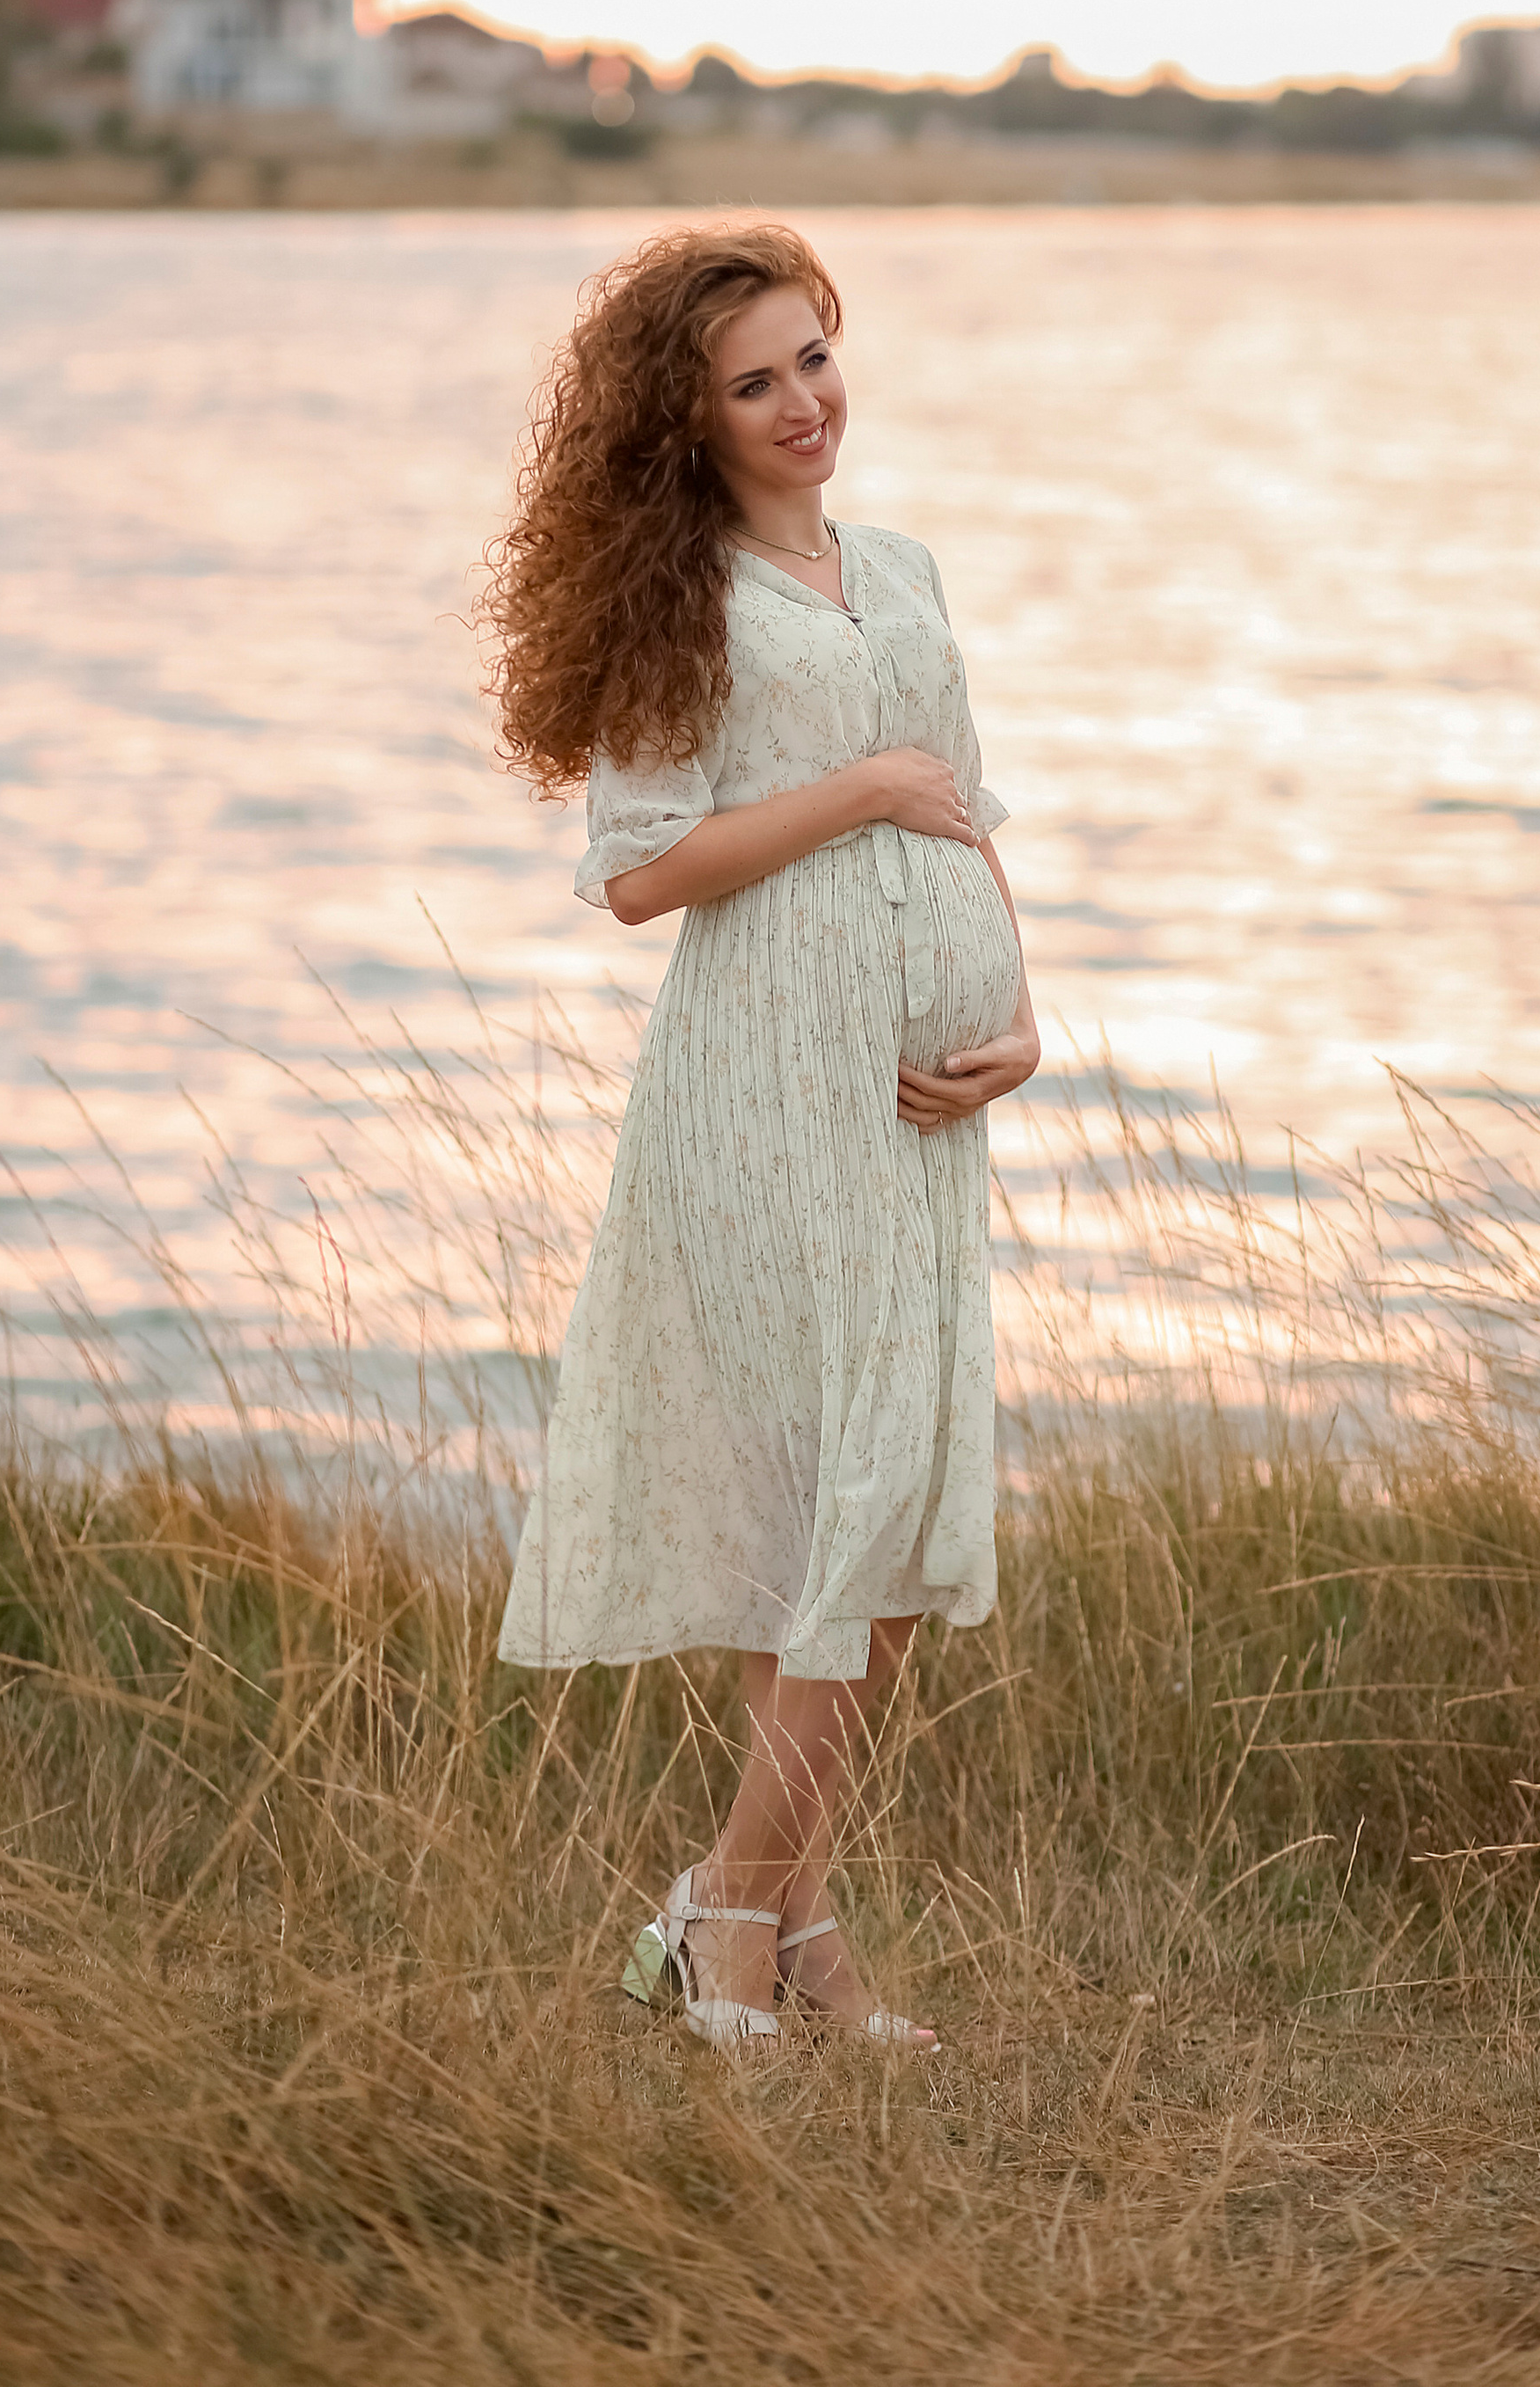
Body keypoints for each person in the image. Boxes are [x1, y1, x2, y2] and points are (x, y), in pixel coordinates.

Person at [483, 221, 1039, 2050]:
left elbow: (966, 813)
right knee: (825, 1508)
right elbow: (638, 873)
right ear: (687, 420)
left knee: (873, 1511)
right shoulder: (682, 600)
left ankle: (770, 1927)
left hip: (913, 1104)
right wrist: (854, 788)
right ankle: (742, 1922)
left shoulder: (897, 566)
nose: (802, 402)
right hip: (763, 1091)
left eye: (813, 357)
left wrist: (1018, 1012)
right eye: (752, 381)